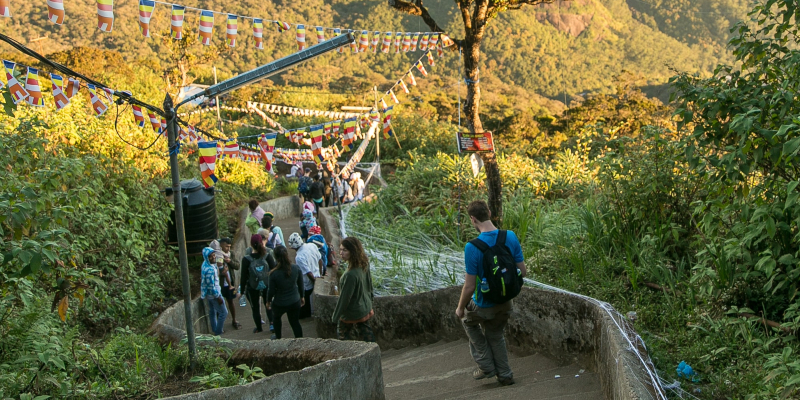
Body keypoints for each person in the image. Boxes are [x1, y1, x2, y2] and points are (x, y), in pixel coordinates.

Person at [455, 200, 527, 387]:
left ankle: (486, 365)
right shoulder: (509, 237)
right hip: (506, 302)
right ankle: (505, 375)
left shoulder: (472, 247)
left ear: (473, 219)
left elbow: (469, 287)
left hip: (484, 304)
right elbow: (523, 272)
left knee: (468, 322)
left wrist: (460, 308)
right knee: (495, 334)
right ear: (488, 211)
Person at [332, 237, 375, 342]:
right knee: (366, 332)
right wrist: (370, 300)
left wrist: (335, 316)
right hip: (364, 306)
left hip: (352, 310)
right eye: (340, 250)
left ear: (353, 251)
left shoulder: (350, 274)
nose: (341, 253)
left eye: (345, 250)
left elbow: (344, 298)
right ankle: (373, 350)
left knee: (342, 335)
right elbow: (370, 285)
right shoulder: (364, 264)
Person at [241, 234, 277, 334]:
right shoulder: (267, 256)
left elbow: (243, 277)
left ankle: (259, 327)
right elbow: (274, 269)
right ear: (262, 243)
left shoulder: (246, 259)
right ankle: (272, 324)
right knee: (268, 304)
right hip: (267, 285)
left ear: (251, 245)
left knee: (255, 308)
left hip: (252, 287)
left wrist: (242, 291)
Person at [267, 245, 305, 339]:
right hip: (294, 301)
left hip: (280, 303)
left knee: (276, 318)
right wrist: (302, 297)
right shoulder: (296, 268)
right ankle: (300, 340)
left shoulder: (274, 274)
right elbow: (301, 284)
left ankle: (278, 338)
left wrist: (268, 301)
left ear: (275, 257)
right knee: (295, 322)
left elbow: (271, 290)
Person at [288, 233, 322, 319]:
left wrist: (314, 282)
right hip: (317, 274)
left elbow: (308, 272)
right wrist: (320, 275)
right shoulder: (312, 245)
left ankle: (306, 314)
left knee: (305, 298)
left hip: (308, 282)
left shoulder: (299, 257)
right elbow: (320, 260)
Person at [210, 238, 241, 329]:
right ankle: (220, 325)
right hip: (219, 284)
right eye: (226, 246)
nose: (228, 248)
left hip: (229, 283)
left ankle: (234, 320)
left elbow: (237, 266)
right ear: (221, 245)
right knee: (218, 304)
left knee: (231, 301)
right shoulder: (215, 255)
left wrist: (230, 261)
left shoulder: (231, 254)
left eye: (229, 247)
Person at [200, 247, 228, 336]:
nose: (213, 257)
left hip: (208, 295)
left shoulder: (205, 265)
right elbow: (211, 286)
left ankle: (214, 328)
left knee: (212, 312)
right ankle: (218, 332)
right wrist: (218, 297)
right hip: (214, 295)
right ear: (206, 257)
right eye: (210, 256)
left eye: (214, 255)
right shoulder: (209, 270)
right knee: (223, 313)